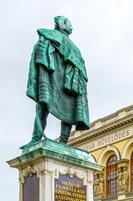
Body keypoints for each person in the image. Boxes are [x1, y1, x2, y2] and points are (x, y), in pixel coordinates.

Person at [21, 16, 90, 149]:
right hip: (70, 85)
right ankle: (60, 141)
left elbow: (40, 55)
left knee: (45, 105)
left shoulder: (49, 36)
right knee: (66, 111)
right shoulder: (75, 50)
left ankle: (38, 138)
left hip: (53, 79)